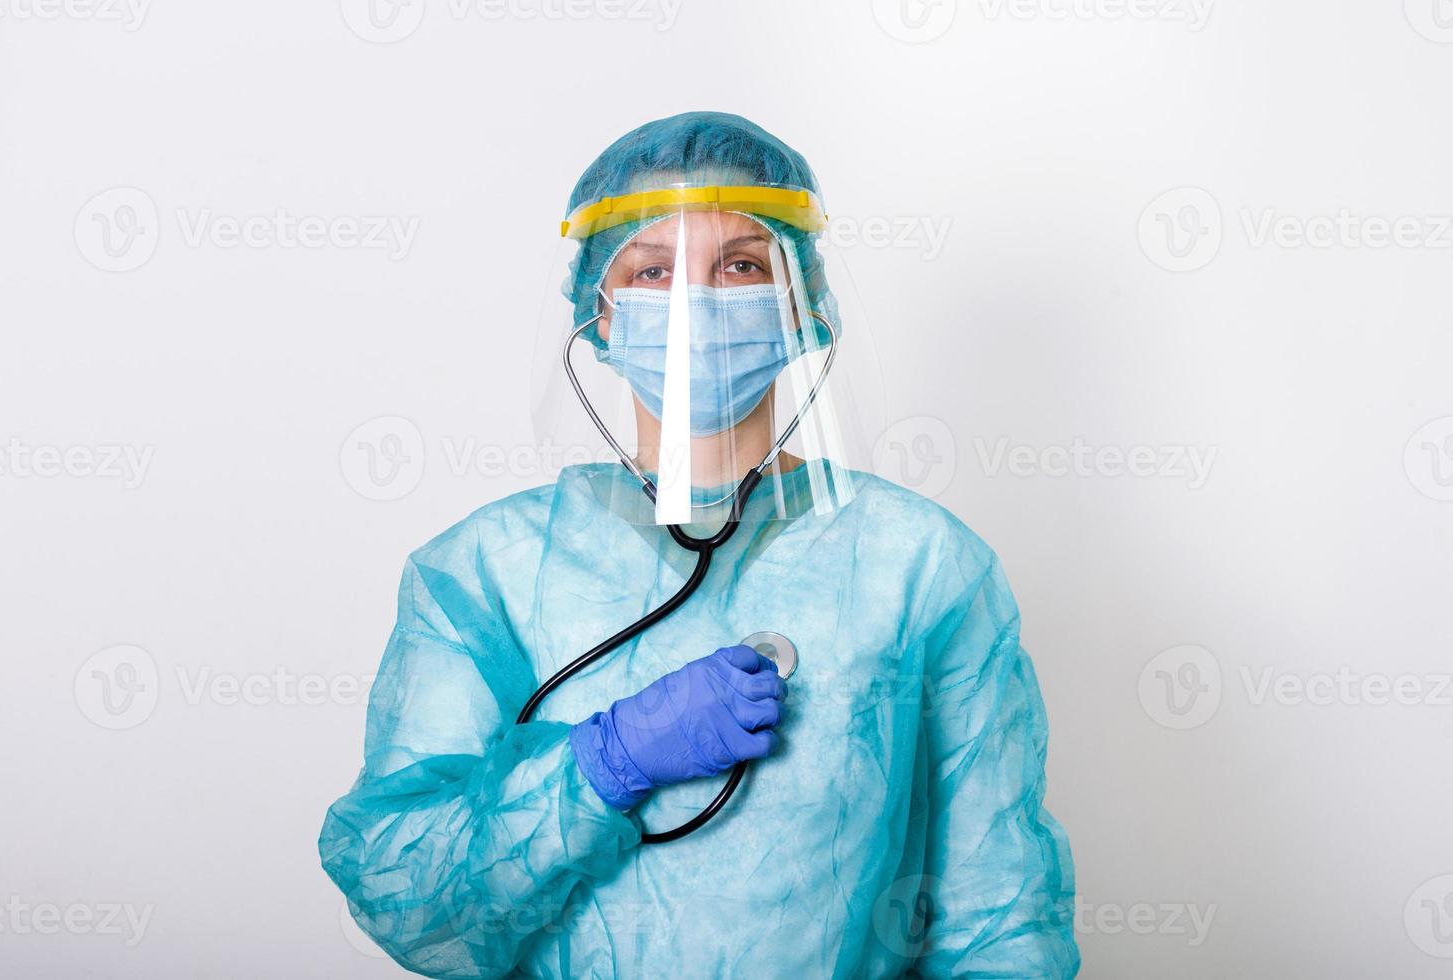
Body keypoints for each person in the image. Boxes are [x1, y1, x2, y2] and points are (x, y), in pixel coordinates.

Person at [319, 111, 1079, 978]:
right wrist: (607, 761)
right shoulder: (484, 574)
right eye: (651, 269)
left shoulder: (920, 566)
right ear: (597, 315)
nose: (697, 303)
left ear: (802, 305)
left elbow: (998, 920)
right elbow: (407, 900)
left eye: (743, 264)